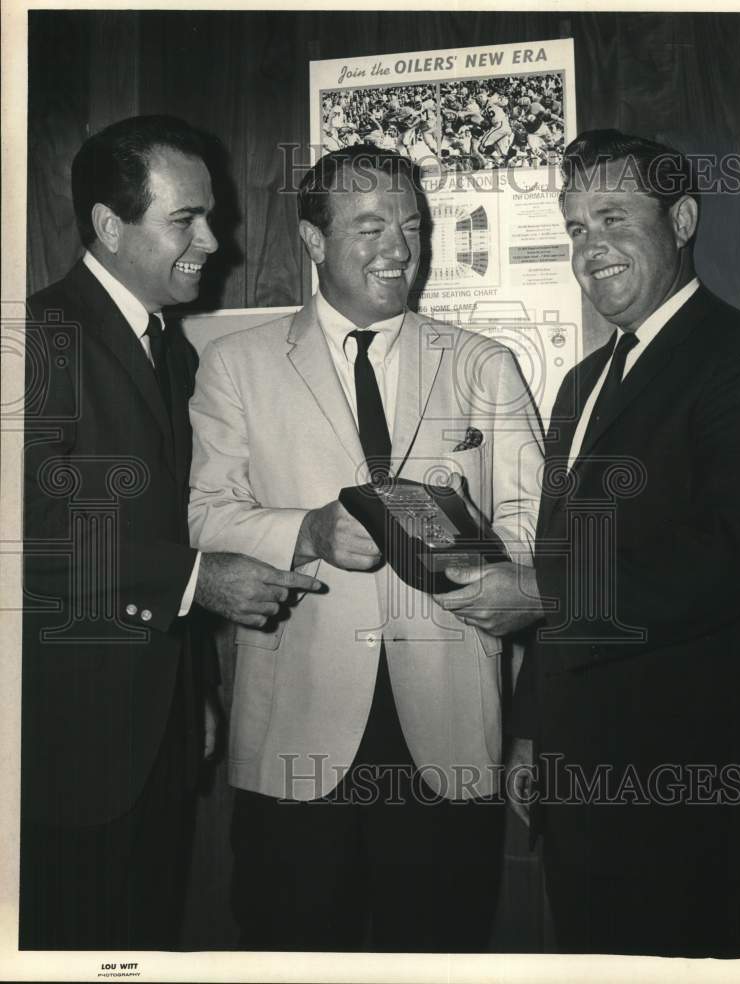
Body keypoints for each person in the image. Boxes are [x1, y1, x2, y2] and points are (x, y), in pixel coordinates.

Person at [188, 143, 545, 952]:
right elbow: (204, 518)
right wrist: (305, 532)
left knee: (439, 946)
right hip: (296, 730)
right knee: (290, 946)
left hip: (448, 727)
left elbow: (534, 528)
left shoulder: (484, 363)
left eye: (413, 227)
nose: (400, 250)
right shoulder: (235, 367)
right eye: (372, 227)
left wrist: (490, 570)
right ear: (313, 240)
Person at [21, 115, 322, 950]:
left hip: (159, 728)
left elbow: (163, 522)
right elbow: (28, 532)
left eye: (211, 215)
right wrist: (197, 580)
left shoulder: (172, 350)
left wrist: (199, 693)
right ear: (110, 226)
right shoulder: (38, 336)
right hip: (70, 748)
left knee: (143, 939)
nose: (213, 240)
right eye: (184, 219)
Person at [505, 129, 740, 957]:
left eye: (613, 216)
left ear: (682, 219)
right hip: (578, 779)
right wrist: (531, 729)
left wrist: (546, 596)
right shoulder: (581, 383)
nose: (591, 247)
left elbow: (736, 556)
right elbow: (555, 557)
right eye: (576, 227)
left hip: (688, 779)